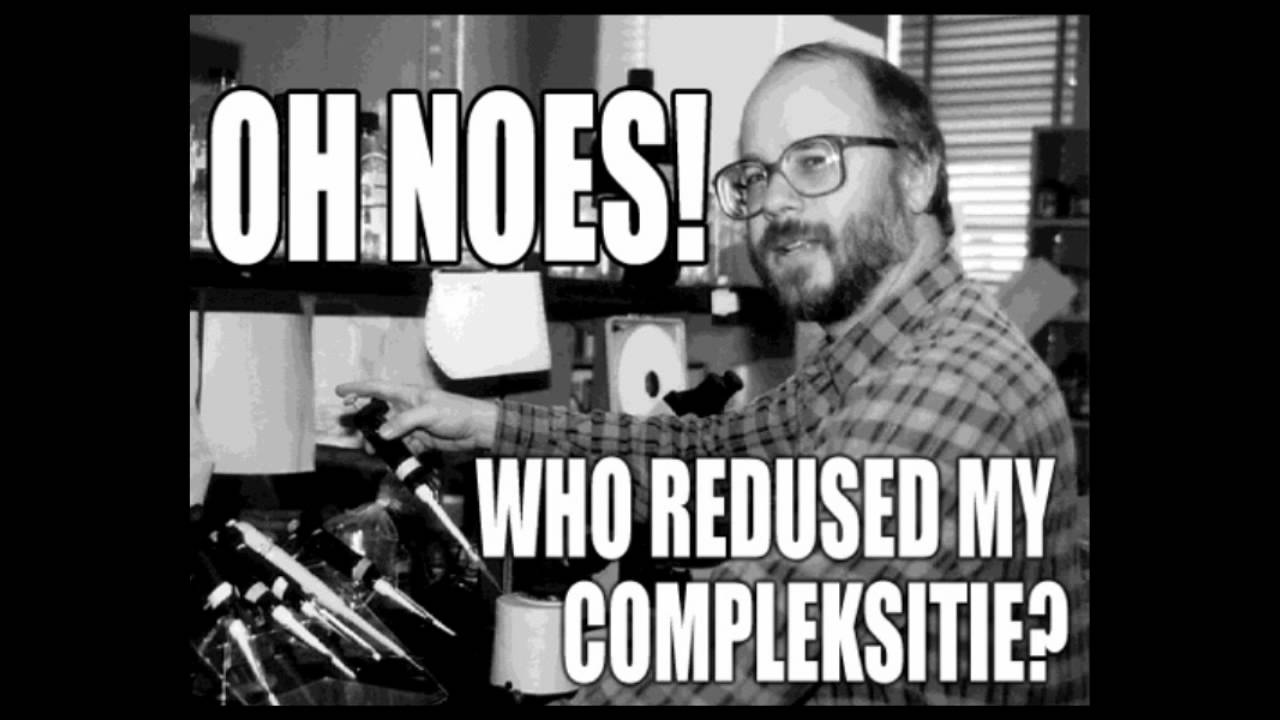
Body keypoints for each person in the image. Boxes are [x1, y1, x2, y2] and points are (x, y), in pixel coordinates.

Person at [338, 41, 1088, 705]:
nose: (775, 203)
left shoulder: (948, 385)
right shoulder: (873, 352)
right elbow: (708, 455)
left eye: (815, 160)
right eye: (756, 176)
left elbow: (740, 648)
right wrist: (489, 424)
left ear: (917, 174)